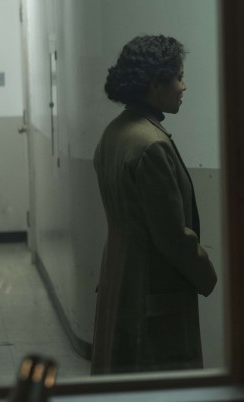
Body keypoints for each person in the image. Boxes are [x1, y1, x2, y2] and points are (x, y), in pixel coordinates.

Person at [91, 35, 217, 374]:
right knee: (158, 382)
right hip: (152, 283)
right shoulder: (151, 144)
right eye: (178, 77)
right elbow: (171, 234)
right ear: (154, 84)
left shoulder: (114, 133)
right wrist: (206, 273)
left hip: (119, 273)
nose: (183, 86)